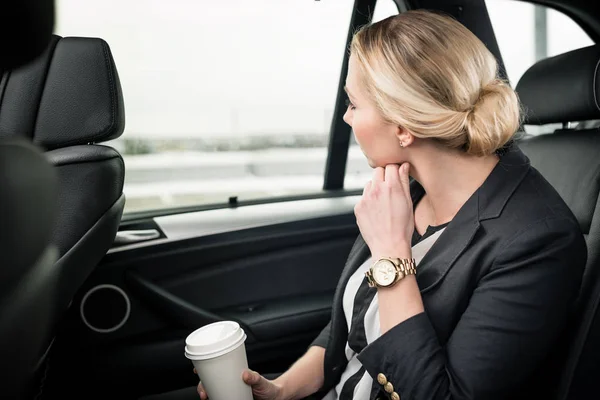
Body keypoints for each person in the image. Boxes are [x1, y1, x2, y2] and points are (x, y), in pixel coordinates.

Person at [197, 10, 587, 400]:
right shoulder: (406, 186)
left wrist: (391, 256)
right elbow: (353, 323)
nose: (347, 118)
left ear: (403, 127)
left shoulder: (538, 240)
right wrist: (282, 389)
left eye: (353, 104)